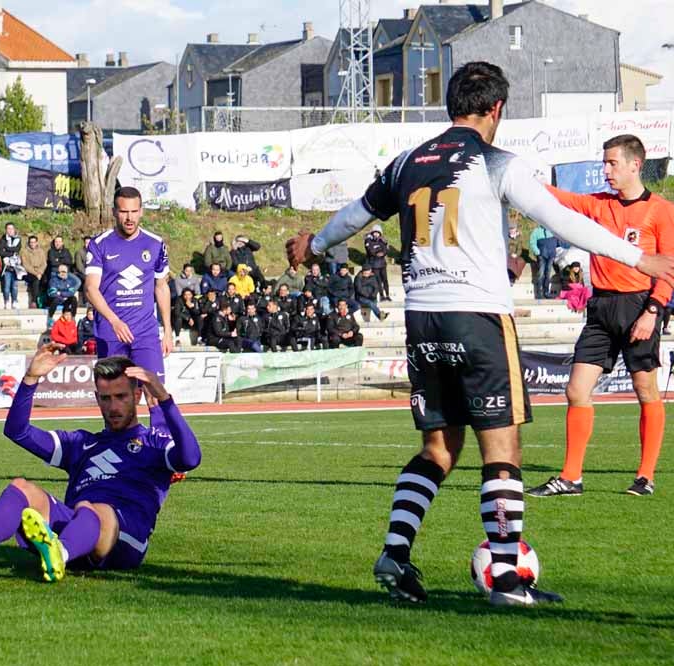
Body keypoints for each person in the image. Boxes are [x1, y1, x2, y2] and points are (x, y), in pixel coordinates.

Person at [286, 61, 674, 606]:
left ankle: (396, 553)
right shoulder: (496, 163)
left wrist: (314, 245)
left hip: (422, 319)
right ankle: (510, 582)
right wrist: (642, 258)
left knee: (439, 448)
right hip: (479, 318)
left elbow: (355, 215)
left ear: (451, 105)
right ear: (496, 109)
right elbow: (564, 222)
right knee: (502, 450)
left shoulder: (406, 162)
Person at [0, 350, 201, 581]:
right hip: (80, 527)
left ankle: (60, 552)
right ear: (96, 398)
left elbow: (190, 459)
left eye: (121, 397)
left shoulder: (155, 443)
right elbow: (17, 431)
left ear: (137, 396)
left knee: (93, 508)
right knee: (21, 488)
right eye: (105, 398)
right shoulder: (81, 444)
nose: (113, 406)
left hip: (124, 540)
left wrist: (165, 399)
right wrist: (31, 379)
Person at [527, 134, 674, 499]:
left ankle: (644, 476)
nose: (605, 170)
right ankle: (571, 478)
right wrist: (521, 182)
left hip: (639, 305)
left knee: (645, 390)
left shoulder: (661, 210)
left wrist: (653, 311)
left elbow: (668, 268)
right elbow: (560, 198)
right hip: (601, 308)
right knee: (576, 389)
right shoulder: (598, 205)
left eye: (611, 163)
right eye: (604, 163)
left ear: (634, 165)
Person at [83, 186, 174, 423]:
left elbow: (161, 286)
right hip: (111, 333)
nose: (129, 217)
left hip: (145, 331)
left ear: (141, 211)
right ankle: (120, 449)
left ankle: (162, 446)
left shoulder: (155, 244)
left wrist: (168, 329)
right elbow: (91, 288)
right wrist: (114, 321)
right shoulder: (99, 244)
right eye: (124, 211)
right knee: (115, 397)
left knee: (155, 393)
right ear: (114, 211)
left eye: (134, 211)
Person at [0, 223, 23, 309]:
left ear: (14, 229)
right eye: (8, 229)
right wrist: (11, 252)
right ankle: (7, 301)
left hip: (15, 266)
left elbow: (17, 250)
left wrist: (7, 249)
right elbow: (1, 252)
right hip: (6, 266)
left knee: (14, 286)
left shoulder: (18, 239)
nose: (10, 230)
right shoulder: (2, 240)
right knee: (7, 286)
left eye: (11, 228)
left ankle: (15, 300)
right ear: (6, 230)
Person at [364, 224, 391, 301]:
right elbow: (370, 250)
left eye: (378, 232)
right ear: (372, 233)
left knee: (385, 280)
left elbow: (385, 249)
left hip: (382, 264)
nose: (376, 234)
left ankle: (387, 295)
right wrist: (377, 253)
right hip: (374, 264)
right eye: (375, 232)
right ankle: (382, 296)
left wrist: (383, 253)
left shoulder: (382, 240)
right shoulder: (368, 240)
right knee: (378, 280)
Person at [21, 236, 46, 309]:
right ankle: (34, 301)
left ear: (36, 243)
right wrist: (36, 273)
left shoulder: (41, 251)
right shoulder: (24, 252)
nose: (32, 244)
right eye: (31, 242)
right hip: (29, 272)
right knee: (36, 280)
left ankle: (44, 301)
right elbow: (25, 265)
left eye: (34, 242)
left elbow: (44, 263)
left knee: (45, 280)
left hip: (40, 271)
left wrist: (40, 272)